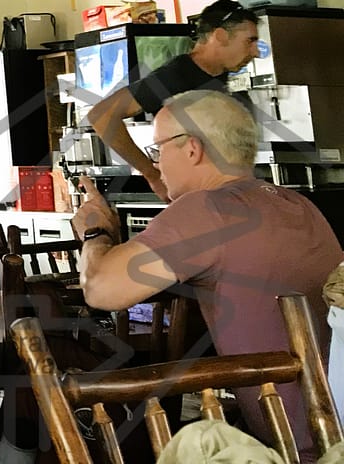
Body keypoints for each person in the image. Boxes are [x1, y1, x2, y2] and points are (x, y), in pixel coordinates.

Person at [72, 89, 341, 457]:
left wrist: (95, 232)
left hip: (295, 448)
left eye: (157, 150)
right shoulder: (298, 203)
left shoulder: (209, 209)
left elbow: (101, 290)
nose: (156, 164)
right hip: (332, 428)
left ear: (192, 149)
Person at [86, 0, 260, 200]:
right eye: (250, 41)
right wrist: (152, 174)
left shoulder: (228, 78)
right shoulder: (176, 76)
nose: (256, 52)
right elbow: (101, 115)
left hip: (232, 196)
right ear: (220, 36)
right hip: (197, 203)